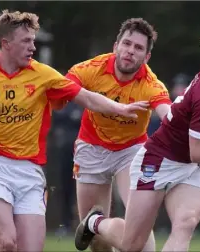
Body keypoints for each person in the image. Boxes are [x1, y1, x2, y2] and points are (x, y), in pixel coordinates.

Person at [0, 10, 148, 252]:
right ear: (6, 44)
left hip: (29, 172)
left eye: (34, 41)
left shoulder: (43, 74)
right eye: (26, 41)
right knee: (7, 241)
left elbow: (87, 98)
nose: (33, 47)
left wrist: (121, 108)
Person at [74, 22, 200, 252]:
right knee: (133, 246)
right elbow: (198, 150)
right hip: (157, 161)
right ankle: (95, 222)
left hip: (188, 163)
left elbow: (172, 117)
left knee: (186, 223)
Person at [66, 18, 172, 252]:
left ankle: (102, 224)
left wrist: (186, 130)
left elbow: (167, 113)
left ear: (146, 57)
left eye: (138, 48)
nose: (130, 51)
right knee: (95, 241)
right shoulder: (92, 69)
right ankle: (96, 223)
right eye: (127, 44)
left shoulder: (151, 83)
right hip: (91, 147)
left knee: (140, 225)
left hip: (131, 151)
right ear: (116, 46)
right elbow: (64, 89)